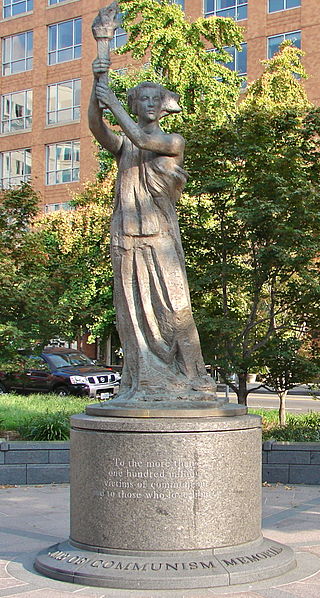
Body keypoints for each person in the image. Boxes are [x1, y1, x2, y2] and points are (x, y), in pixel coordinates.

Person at [88, 58, 216, 402]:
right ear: (134, 105)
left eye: (153, 99)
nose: (147, 104)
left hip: (159, 233)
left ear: (163, 107)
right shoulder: (126, 145)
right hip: (127, 233)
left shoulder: (173, 141)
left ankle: (194, 377)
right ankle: (144, 377)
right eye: (140, 99)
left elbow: (142, 140)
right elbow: (98, 128)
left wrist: (113, 102)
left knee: (175, 307)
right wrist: (98, 82)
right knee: (130, 310)